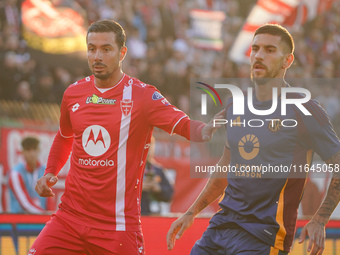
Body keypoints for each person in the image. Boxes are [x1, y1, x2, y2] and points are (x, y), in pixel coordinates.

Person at [30, 19, 223, 255]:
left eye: (106, 49)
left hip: (117, 227)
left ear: (122, 52)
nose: (97, 56)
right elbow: (64, 136)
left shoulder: (142, 96)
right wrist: (50, 171)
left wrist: (205, 130)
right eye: (92, 49)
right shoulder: (73, 93)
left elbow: (181, 124)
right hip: (69, 218)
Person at [167, 24, 340, 255]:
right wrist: (191, 212)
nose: (258, 55)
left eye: (269, 50)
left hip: (264, 236)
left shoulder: (304, 109)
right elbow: (226, 165)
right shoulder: (235, 104)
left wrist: (319, 219)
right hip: (220, 227)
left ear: (287, 61)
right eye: (255, 48)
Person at [8, 136, 46, 213]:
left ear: (39, 151)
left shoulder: (45, 171)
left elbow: (49, 198)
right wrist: (46, 214)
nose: (32, 154)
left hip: (42, 222)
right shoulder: (15, 173)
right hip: (19, 222)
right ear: (22, 152)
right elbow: (25, 203)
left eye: (34, 149)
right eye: (28, 150)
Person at [141, 137, 174, 215]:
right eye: (145, 147)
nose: (148, 151)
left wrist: (158, 188)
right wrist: (138, 188)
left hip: (155, 215)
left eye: (150, 147)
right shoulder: (129, 169)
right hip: (136, 215)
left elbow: (169, 195)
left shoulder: (158, 170)